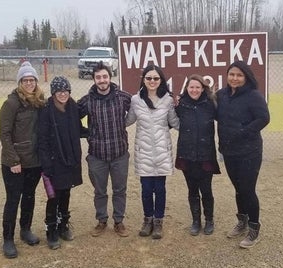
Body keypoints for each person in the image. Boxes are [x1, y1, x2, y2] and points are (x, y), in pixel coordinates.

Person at [216, 60, 270, 248]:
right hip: (229, 151)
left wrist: (242, 132)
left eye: (239, 75)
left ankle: (254, 228)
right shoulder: (221, 95)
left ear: (246, 77)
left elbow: (264, 118)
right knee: (238, 189)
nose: (235, 78)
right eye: (232, 74)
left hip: (249, 151)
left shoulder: (254, 96)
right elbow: (211, 111)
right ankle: (242, 221)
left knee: (247, 189)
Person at [77, 62, 132, 237]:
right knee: (99, 191)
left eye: (105, 76)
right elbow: (71, 116)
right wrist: (85, 133)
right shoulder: (87, 101)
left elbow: (140, 109)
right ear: (94, 80)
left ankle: (118, 221)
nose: (102, 80)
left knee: (119, 189)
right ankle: (101, 220)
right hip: (97, 155)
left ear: (110, 77)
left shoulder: (123, 97)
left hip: (119, 153)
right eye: (98, 77)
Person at [126, 65, 180, 239]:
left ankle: (158, 222)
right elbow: (128, 120)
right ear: (143, 80)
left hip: (162, 150)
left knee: (160, 188)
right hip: (144, 151)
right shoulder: (136, 100)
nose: (152, 81)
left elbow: (175, 122)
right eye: (149, 78)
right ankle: (147, 220)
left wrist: (192, 116)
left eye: (156, 78)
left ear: (161, 80)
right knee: (146, 189)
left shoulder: (168, 100)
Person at [0, 61, 45, 258]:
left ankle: (25, 230)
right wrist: (13, 161)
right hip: (15, 162)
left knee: (29, 197)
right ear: (20, 82)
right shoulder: (11, 104)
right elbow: (5, 134)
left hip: (34, 161)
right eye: (25, 80)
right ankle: (8, 239)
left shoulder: (39, 101)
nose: (29, 83)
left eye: (32, 79)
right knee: (13, 199)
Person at [38, 76, 83, 249]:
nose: (63, 94)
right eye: (59, 91)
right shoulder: (46, 109)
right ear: (53, 93)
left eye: (65, 91)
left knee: (66, 193)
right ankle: (51, 230)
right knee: (54, 197)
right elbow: (42, 139)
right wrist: (46, 164)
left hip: (70, 158)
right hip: (54, 161)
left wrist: (94, 132)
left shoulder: (72, 106)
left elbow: (78, 129)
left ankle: (63, 225)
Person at [175, 74, 220, 236]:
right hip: (187, 154)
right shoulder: (181, 105)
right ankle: (196, 221)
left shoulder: (211, 104)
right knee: (192, 189)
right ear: (187, 88)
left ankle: (209, 220)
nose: (194, 90)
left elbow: (225, 119)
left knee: (206, 189)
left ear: (203, 88)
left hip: (205, 155)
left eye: (197, 87)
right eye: (191, 87)